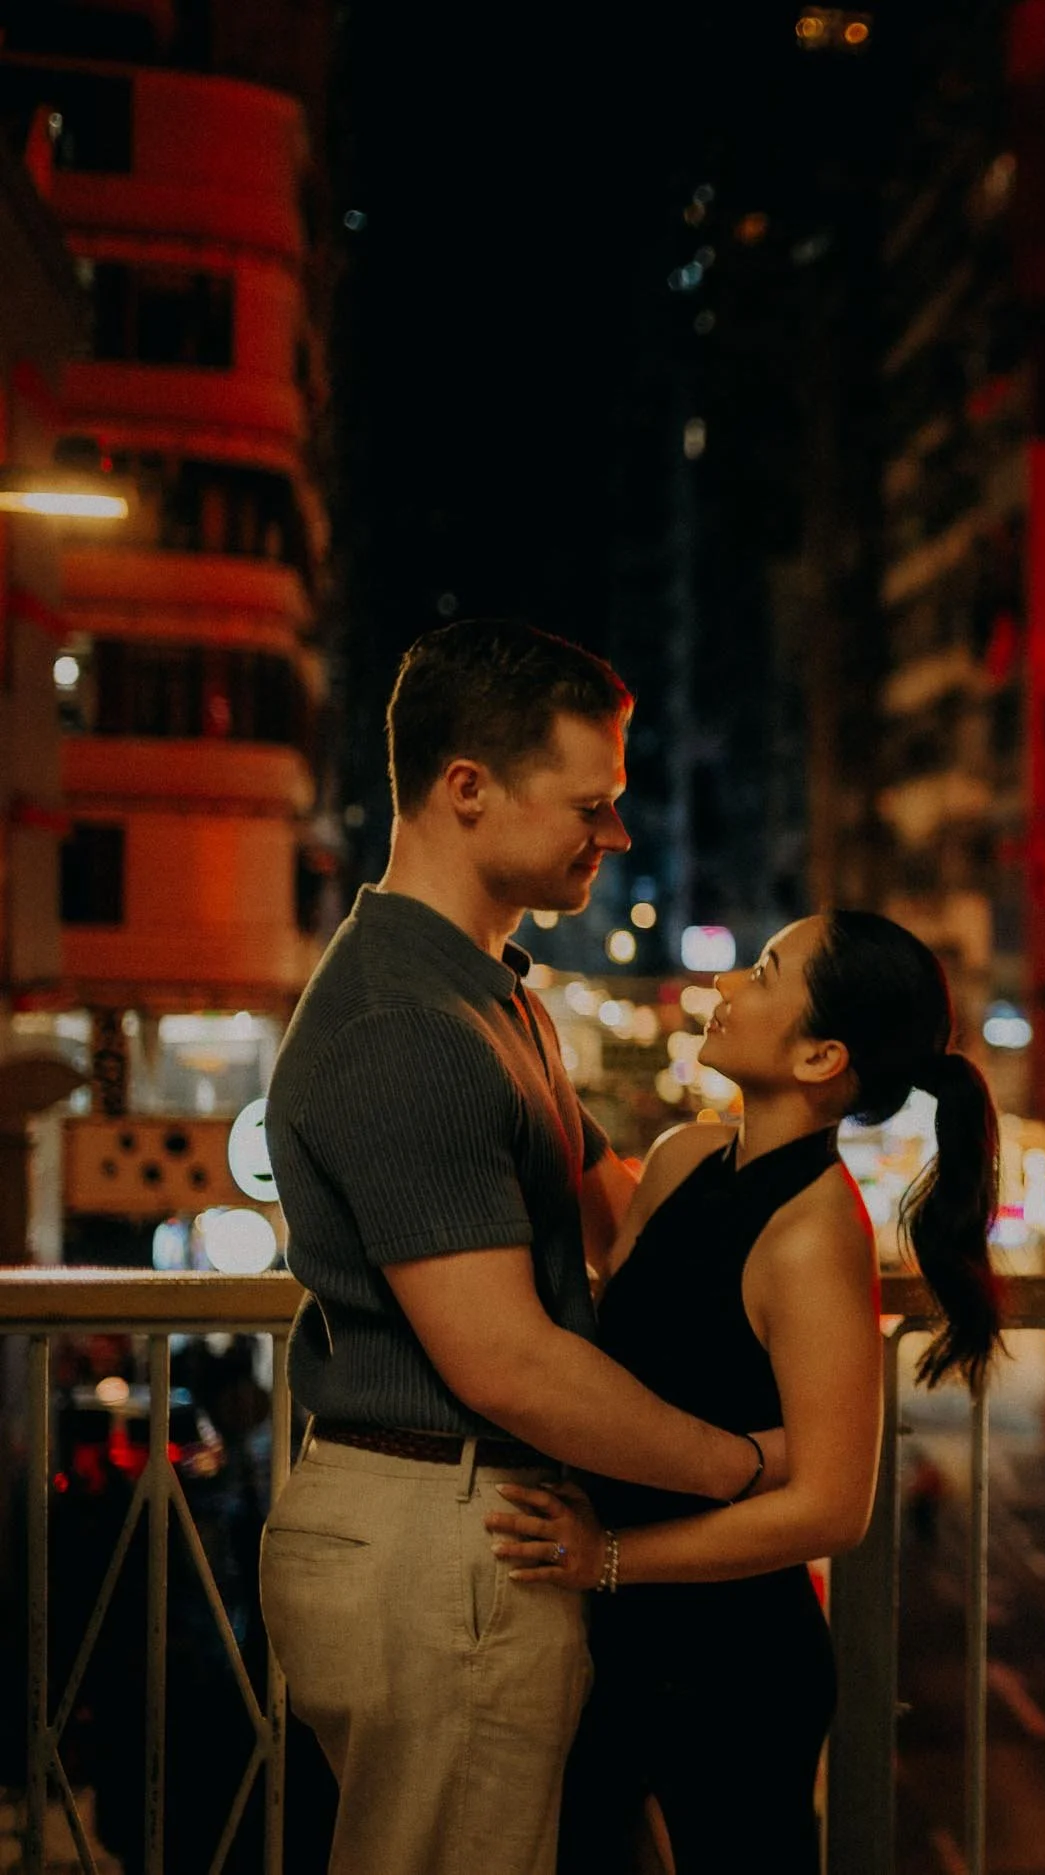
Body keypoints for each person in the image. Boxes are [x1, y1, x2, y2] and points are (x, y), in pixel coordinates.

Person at [260, 620, 784, 1875]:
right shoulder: (408, 1026)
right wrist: (739, 1469)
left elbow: (611, 1201)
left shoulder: (488, 995)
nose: (614, 836)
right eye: (589, 805)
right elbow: (505, 1361)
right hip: (443, 1543)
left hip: (476, 1533)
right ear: (466, 789)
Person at [483, 909, 1002, 1870]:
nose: (726, 986)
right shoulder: (685, 1156)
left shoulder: (816, 1233)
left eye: (763, 973)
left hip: (733, 1662)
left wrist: (608, 1558)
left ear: (820, 1056)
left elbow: (833, 1508)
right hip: (613, 1639)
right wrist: (522, 1037)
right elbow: (620, 1259)